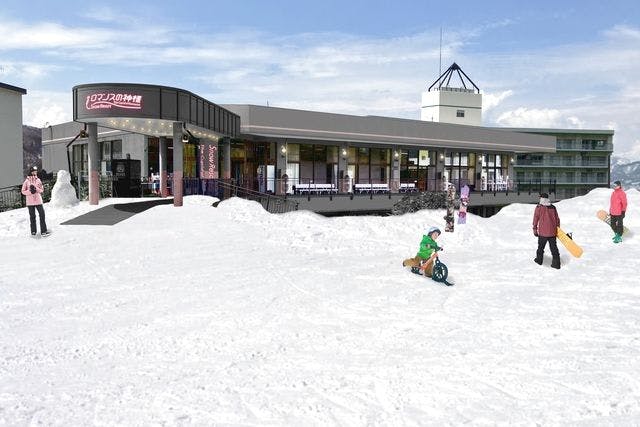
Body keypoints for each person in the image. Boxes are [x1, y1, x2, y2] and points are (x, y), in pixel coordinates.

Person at [532, 192, 560, 269]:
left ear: (541, 198)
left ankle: (539, 260)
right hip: (552, 232)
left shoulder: (538, 207)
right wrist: (558, 230)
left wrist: (535, 229)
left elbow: (535, 219)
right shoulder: (553, 207)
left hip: (543, 233)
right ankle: (556, 264)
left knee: (540, 247)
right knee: (554, 248)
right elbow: (557, 219)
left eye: (540, 197)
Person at [21, 166, 50, 237]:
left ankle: (43, 231)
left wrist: (36, 189)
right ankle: (33, 231)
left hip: (38, 201)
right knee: (32, 217)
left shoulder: (38, 180)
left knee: (42, 215)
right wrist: (30, 191)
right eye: (34, 171)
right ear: (31, 172)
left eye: (36, 171)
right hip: (30, 202)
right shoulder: (26, 181)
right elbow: (23, 191)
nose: (35, 172)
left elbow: (41, 190)